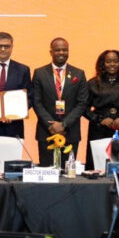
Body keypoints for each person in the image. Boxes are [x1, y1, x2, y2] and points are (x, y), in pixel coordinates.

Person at [32, 38, 88, 167]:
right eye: (57, 50)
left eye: (64, 50)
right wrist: (51, 125)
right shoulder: (39, 73)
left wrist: (64, 124)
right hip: (46, 132)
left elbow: (82, 103)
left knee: (68, 173)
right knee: (47, 172)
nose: (61, 53)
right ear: (51, 52)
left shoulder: (79, 74)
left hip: (70, 132)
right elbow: (36, 101)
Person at [84, 50, 119, 170]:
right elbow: (84, 108)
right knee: (97, 166)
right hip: (98, 129)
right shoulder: (92, 83)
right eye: (108, 61)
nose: (112, 64)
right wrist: (100, 119)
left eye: (115, 61)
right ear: (103, 64)